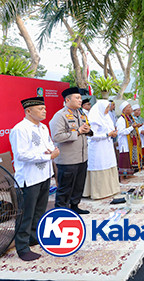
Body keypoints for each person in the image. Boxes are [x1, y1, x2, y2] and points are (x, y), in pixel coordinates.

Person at [10, 97, 59, 261]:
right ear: (28, 111)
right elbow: (21, 155)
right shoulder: (20, 129)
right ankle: (22, 248)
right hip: (29, 179)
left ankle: (33, 238)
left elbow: (49, 145)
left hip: (44, 175)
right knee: (26, 213)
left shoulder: (44, 127)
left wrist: (51, 152)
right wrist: (48, 156)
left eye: (44, 108)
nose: (44, 111)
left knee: (39, 210)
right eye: (40, 108)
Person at [49, 87, 92, 214]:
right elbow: (57, 136)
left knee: (78, 186)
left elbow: (86, 129)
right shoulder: (60, 116)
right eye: (77, 98)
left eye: (80, 98)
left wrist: (87, 131)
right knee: (65, 188)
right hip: (68, 160)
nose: (80, 100)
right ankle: (61, 212)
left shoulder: (81, 114)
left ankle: (74, 207)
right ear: (67, 100)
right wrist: (78, 132)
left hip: (82, 157)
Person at [83, 100, 120, 199]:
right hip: (97, 148)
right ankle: (98, 192)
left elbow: (109, 130)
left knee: (109, 164)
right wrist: (107, 134)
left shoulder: (106, 117)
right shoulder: (95, 119)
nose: (108, 110)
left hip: (107, 146)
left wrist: (113, 133)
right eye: (107, 108)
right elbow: (91, 136)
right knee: (100, 166)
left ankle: (111, 190)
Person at [117, 101, 143, 181]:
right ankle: (122, 178)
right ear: (124, 110)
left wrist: (136, 126)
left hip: (131, 141)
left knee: (129, 158)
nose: (131, 108)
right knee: (124, 159)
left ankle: (128, 175)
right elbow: (121, 132)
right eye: (129, 107)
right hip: (124, 142)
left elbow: (132, 127)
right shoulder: (121, 120)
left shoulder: (130, 117)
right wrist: (132, 127)